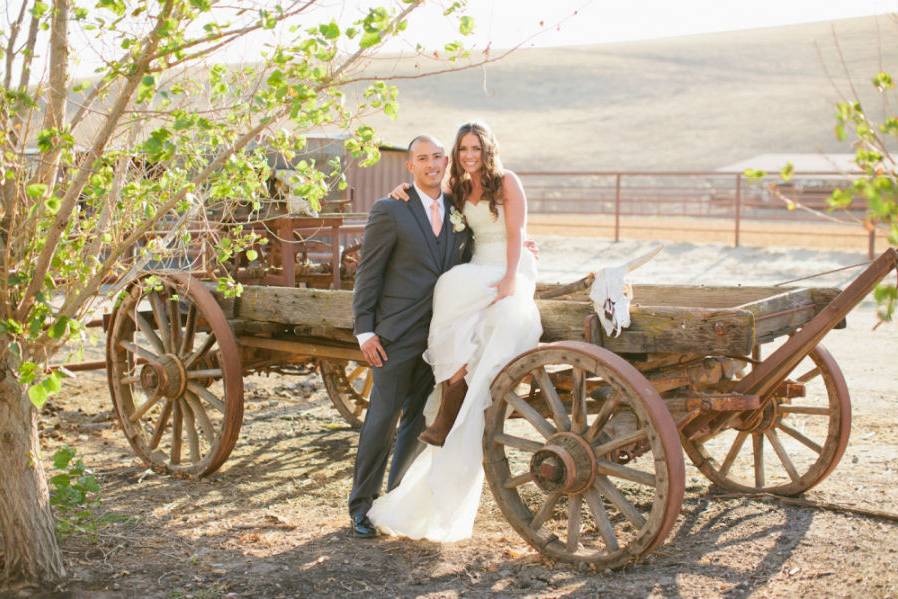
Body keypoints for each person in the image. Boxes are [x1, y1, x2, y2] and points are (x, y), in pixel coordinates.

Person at [365, 121, 542, 541]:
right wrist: (398, 193)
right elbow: (428, 206)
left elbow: (515, 233)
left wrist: (511, 278)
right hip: (479, 263)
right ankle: (454, 379)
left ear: (487, 149)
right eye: (462, 149)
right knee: (450, 287)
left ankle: (462, 389)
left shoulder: (507, 182)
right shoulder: (459, 190)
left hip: (509, 265)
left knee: (497, 315)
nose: (468, 155)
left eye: (474, 148)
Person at [348, 134, 472, 538]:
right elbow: (370, 273)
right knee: (382, 420)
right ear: (410, 166)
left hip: (439, 336)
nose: (432, 164)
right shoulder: (390, 209)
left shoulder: (460, 208)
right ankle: (360, 506)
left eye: (438, 157)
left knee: (417, 421)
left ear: (446, 161)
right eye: (423, 158)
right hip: (396, 334)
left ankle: (394, 500)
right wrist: (365, 329)